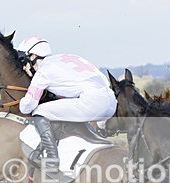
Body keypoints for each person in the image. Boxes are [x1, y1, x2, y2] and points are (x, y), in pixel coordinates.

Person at [16, 36, 117, 172]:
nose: (24, 66)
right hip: (111, 101)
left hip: (92, 101)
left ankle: (51, 160)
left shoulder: (43, 72)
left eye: (24, 60)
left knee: (39, 111)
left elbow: (26, 106)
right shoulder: (67, 58)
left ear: (33, 56)